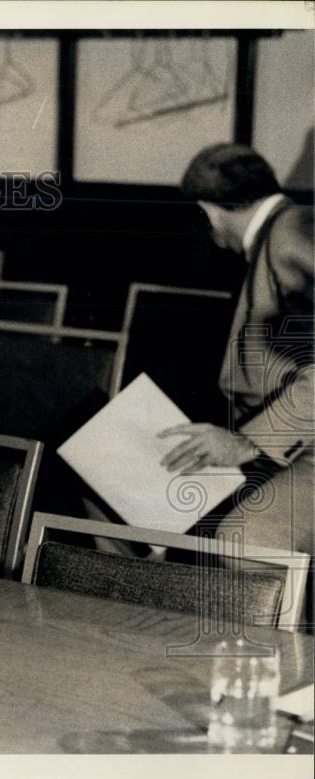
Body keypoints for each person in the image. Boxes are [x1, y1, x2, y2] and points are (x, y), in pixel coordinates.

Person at [159, 143, 313, 555]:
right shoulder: (285, 232)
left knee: (244, 542)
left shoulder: (290, 233)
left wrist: (247, 443)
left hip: (302, 445)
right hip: (286, 440)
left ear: (207, 210)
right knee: (115, 500)